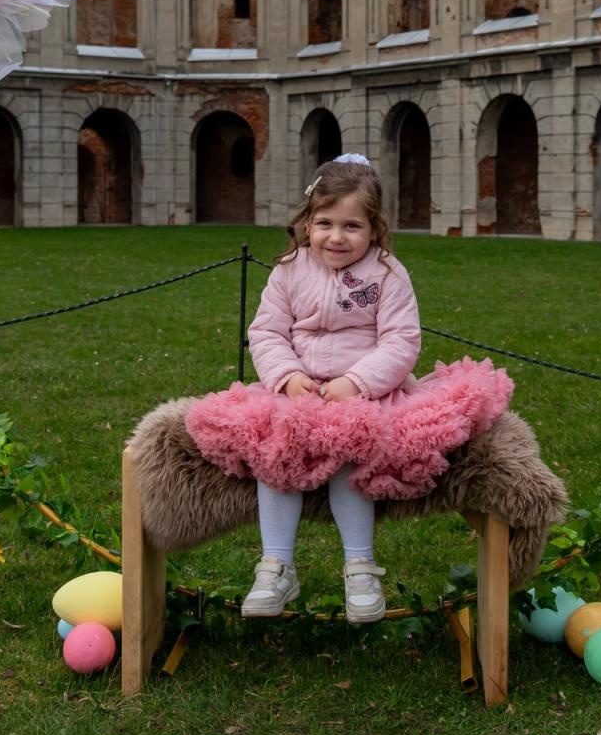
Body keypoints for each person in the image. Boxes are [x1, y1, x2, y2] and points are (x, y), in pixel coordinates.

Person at [185, 154, 512, 624]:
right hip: (297, 391)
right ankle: (276, 566)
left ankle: (360, 566)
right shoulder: (289, 270)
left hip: (366, 393)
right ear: (307, 223)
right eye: (325, 224)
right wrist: (287, 376)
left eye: (351, 226)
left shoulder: (387, 274)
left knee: (352, 449)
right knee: (276, 450)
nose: (336, 237)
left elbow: (401, 340)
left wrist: (356, 382)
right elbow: (267, 332)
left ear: (374, 228)